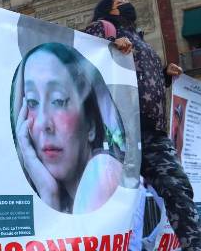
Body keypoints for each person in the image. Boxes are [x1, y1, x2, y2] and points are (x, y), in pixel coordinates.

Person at [83, 0, 201, 251]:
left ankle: (196, 247)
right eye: (120, 1)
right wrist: (110, 43)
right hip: (119, 128)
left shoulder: (140, 39)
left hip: (152, 130)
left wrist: (164, 75)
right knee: (111, 199)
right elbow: (86, 54)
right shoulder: (102, 28)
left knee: (178, 187)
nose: (126, 3)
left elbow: (139, 80)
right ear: (108, 10)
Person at [11, 43, 125, 214]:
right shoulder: (62, 198)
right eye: (32, 102)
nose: (43, 123)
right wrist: (48, 193)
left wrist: (49, 199)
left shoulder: (102, 170)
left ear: (90, 124)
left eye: (58, 101)